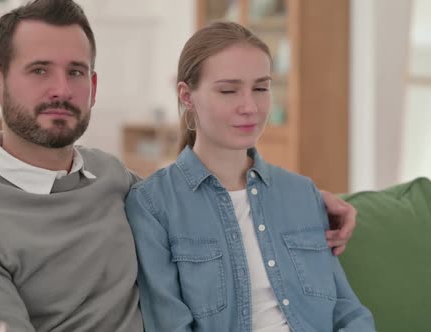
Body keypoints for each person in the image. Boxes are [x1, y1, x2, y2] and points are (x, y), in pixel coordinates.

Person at [0, 1, 358, 331]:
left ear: (94, 86)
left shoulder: (113, 179)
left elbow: (199, 199)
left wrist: (300, 201)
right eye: (39, 70)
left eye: (76, 72)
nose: (61, 90)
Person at [124, 22, 375, 332]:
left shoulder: (302, 194)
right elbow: (169, 324)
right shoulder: (152, 204)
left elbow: (348, 312)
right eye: (229, 90)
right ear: (187, 96)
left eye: (260, 88)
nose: (250, 107)